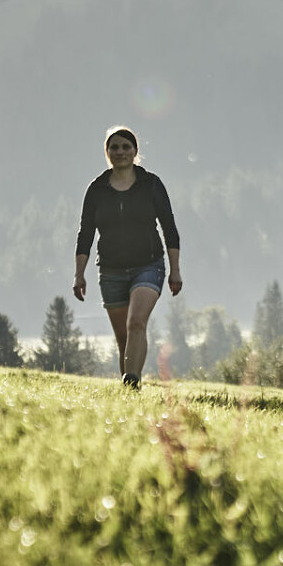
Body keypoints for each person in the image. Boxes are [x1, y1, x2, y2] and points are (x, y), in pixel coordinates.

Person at [73, 126, 182, 388]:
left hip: (149, 265)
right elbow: (86, 233)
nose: (120, 152)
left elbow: (169, 228)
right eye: (114, 148)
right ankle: (130, 392)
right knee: (123, 337)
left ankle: (131, 381)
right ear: (107, 153)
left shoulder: (151, 184)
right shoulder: (97, 189)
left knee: (136, 323)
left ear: (135, 152)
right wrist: (79, 274)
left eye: (126, 147)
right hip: (110, 271)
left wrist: (175, 270)